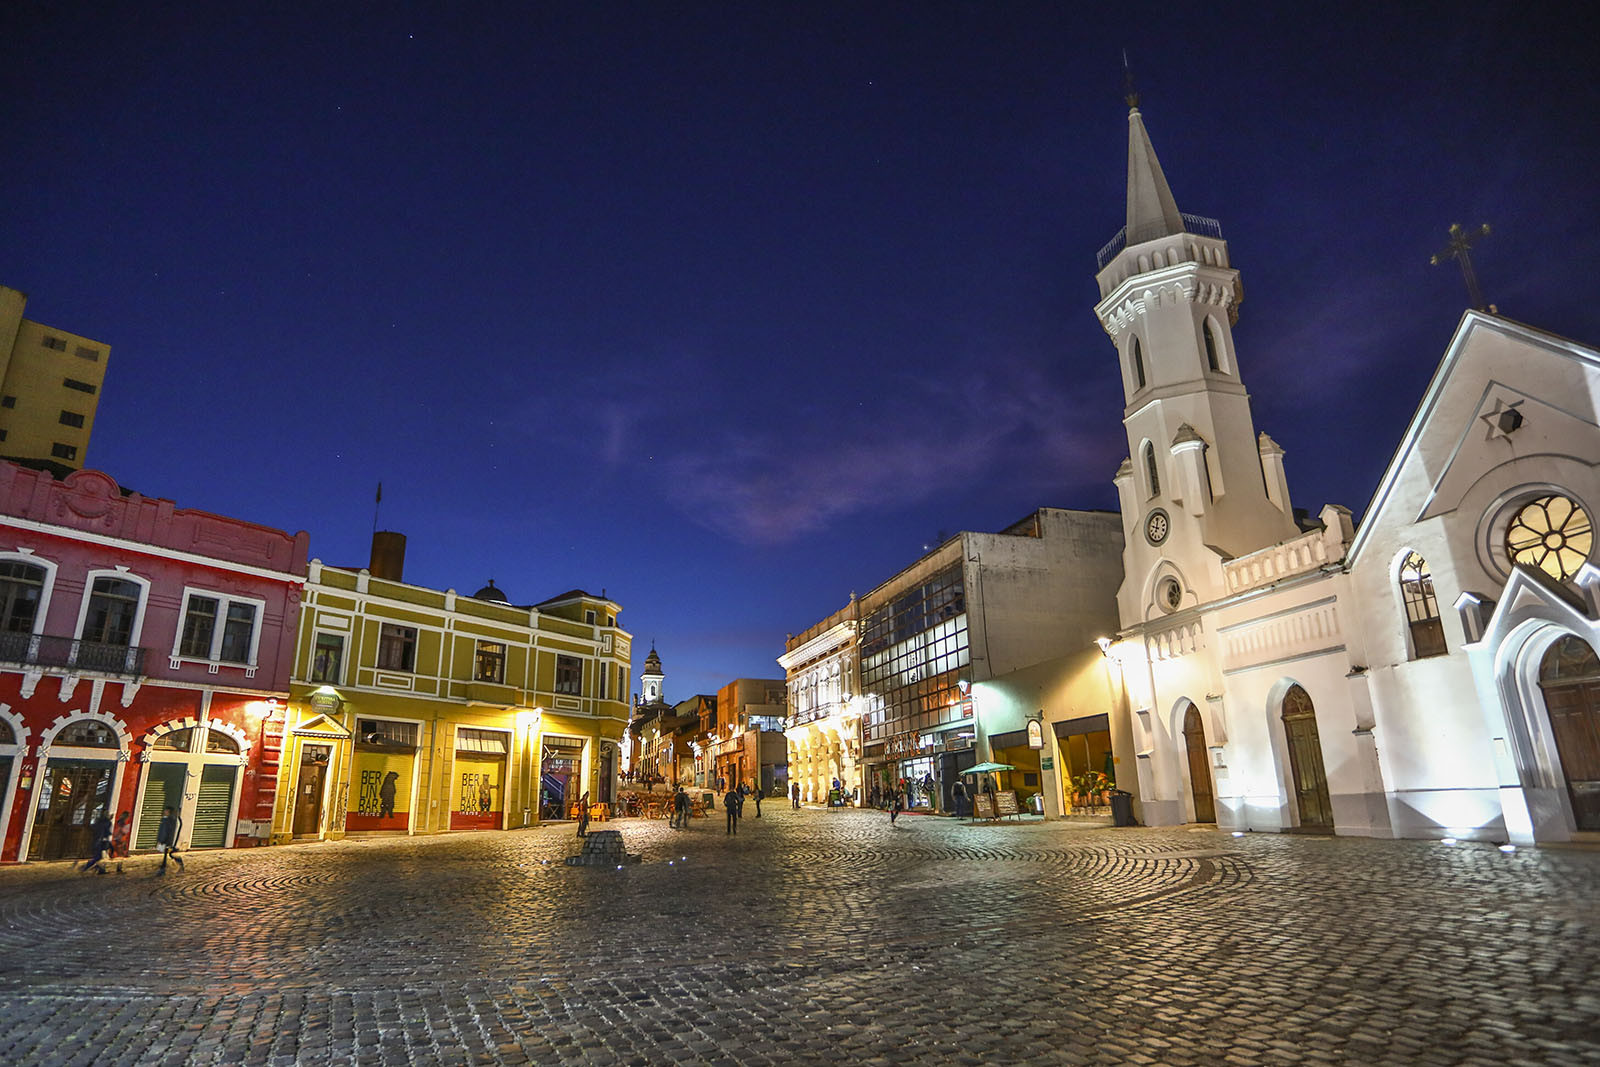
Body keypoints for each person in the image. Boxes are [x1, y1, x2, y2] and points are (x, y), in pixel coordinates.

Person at [81, 810, 113, 875]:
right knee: (98, 856)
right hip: (101, 840)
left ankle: (99, 868)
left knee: (99, 855)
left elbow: (94, 828)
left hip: (97, 839)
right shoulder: (107, 822)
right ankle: (89, 866)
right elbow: (106, 831)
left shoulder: (99, 821)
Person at [155, 806, 185, 874]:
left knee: (170, 854)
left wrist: (162, 840)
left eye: (166, 811)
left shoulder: (168, 820)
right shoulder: (173, 820)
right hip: (169, 841)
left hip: (167, 841)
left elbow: (164, 831)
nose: (164, 812)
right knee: (167, 854)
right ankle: (163, 867)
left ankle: (164, 868)